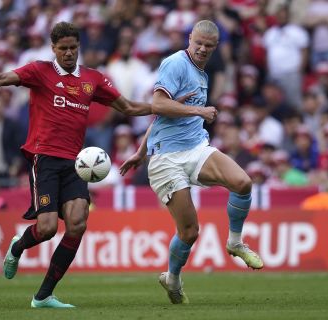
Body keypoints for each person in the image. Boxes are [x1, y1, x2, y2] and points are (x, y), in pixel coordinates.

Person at [0, 22, 154, 309]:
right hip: (45, 158)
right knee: (48, 228)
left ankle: (43, 296)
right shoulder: (39, 71)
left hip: (76, 162)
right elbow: (2, 78)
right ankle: (19, 246)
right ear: (53, 49)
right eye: (63, 48)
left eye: (73, 48)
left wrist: (167, 108)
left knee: (77, 224)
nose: (68, 53)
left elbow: (129, 108)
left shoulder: (93, 78)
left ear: (79, 48)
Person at [120, 20, 264, 305]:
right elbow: (158, 105)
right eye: (198, 42)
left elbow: (162, 117)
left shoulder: (201, 73)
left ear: (215, 47)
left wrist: (139, 150)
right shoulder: (174, 63)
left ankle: (235, 242)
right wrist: (198, 110)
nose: (202, 49)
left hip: (196, 147)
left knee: (243, 182)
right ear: (190, 38)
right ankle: (172, 279)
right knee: (189, 232)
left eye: (209, 46)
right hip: (166, 160)